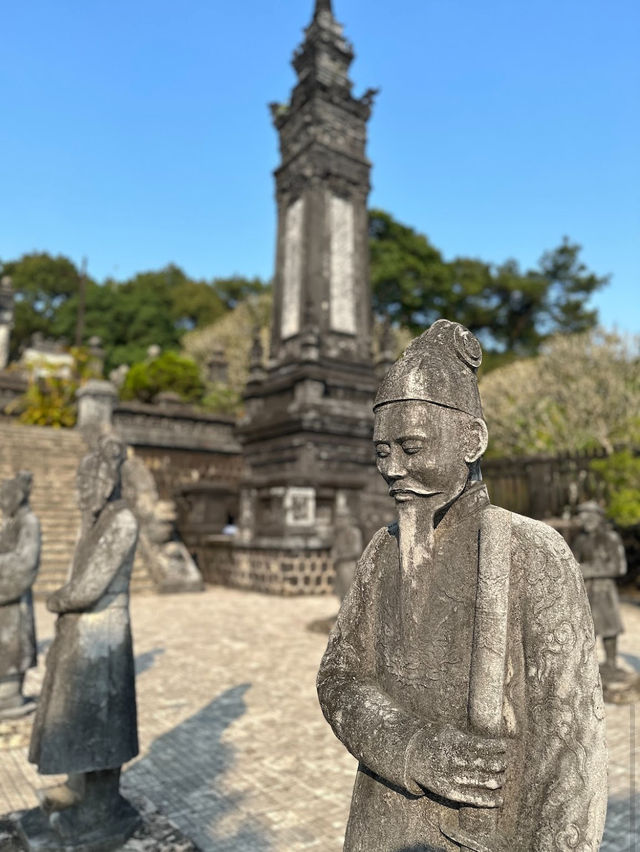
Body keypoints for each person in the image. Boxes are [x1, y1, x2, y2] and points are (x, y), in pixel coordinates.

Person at [317, 320, 607, 852]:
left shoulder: (530, 552)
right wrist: (414, 749)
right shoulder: (382, 552)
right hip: (380, 821)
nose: (394, 469)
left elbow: (570, 751)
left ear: (471, 440)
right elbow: (338, 678)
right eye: (382, 453)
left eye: (412, 447)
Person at [27, 435, 140, 846]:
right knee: (78, 717)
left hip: (103, 637)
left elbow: (88, 587)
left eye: (89, 483)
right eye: (80, 485)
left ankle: (101, 807)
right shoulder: (97, 520)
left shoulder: (122, 520)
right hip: (81, 635)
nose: (82, 493)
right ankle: (78, 788)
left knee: (103, 723)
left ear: (109, 480)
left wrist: (57, 599)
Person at [0, 471, 40, 718]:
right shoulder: (12, 523)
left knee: (13, 646)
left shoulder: (29, 522)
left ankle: (10, 694)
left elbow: (26, 562)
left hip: (13, 599)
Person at [572, 501, 627, 675]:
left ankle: (611, 663)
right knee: (588, 628)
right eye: (581, 516)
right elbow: (573, 563)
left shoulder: (610, 538)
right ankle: (589, 666)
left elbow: (618, 567)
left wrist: (587, 570)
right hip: (587, 591)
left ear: (597, 517)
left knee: (610, 627)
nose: (583, 519)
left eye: (587, 515)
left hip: (605, 591)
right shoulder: (580, 540)